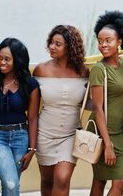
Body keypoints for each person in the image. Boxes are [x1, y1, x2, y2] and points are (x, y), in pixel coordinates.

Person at [33, 25, 89, 196]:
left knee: (63, 179)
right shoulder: (41, 70)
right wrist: (31, 143)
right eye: (51, 42)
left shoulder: (83, 71)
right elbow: (33, 112)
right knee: (47, 181)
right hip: (44, 134)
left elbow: (92, 103)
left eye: (58, 44)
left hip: (70, 135)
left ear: (70, 47)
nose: (52, 47)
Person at [0, 38, 40, 196]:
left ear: (18, 60)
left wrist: (32, 149)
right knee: (11, 183)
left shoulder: (30, 84)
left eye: (7, 59)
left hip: (20, 137)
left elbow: (33, 118)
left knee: (9, 186)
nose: (2, 62)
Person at [88, 11, 123, 196]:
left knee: (119, 180)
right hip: (103, 132)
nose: (103, 45)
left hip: (120, 132)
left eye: (108, 40)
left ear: (119, 41)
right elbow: (97, 107)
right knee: (102, 180)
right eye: (100, 41)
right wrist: (107, 144)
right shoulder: (99, 69)